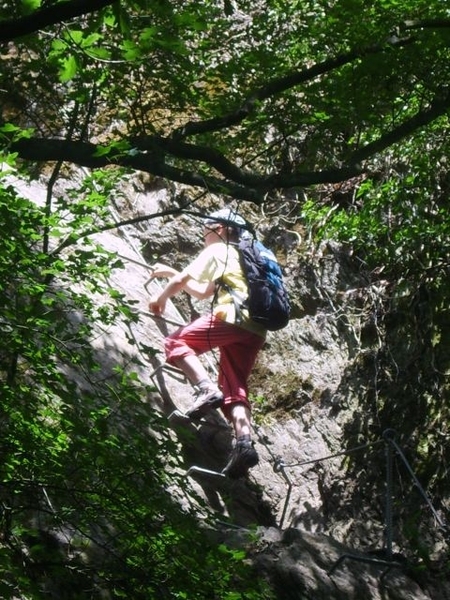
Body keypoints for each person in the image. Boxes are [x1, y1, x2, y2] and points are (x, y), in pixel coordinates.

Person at [148, 208, 267, 478]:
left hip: (231, 317)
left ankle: (205, 389)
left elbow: (182, 281)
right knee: (234, 386)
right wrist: (172, 273)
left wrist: (161, 298)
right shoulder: (249, 260)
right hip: (257, 329)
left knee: (176, 342)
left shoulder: (219, 251)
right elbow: (203, 292)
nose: (204, 235)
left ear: (221, 229)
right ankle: (244, 444)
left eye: (206, 228)